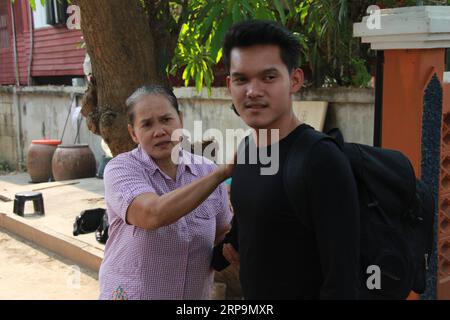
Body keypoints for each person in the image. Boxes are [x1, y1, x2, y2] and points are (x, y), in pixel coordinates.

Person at [215, 20, 360, 299]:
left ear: (294, 80)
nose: (253, 91)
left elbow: (341, 279)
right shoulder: (246, 150)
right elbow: (252, 228)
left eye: (268, 77)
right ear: (230, 84)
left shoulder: (320, 159)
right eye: (242, 79)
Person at [99, 85, 232, 300]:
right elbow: (153, 214)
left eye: (166, 119)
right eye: (147, 124)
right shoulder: (121, 169)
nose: (159, 131)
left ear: (180, 120)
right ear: (133, 133)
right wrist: (223, 173)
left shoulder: (206, 170)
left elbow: (221, 232)